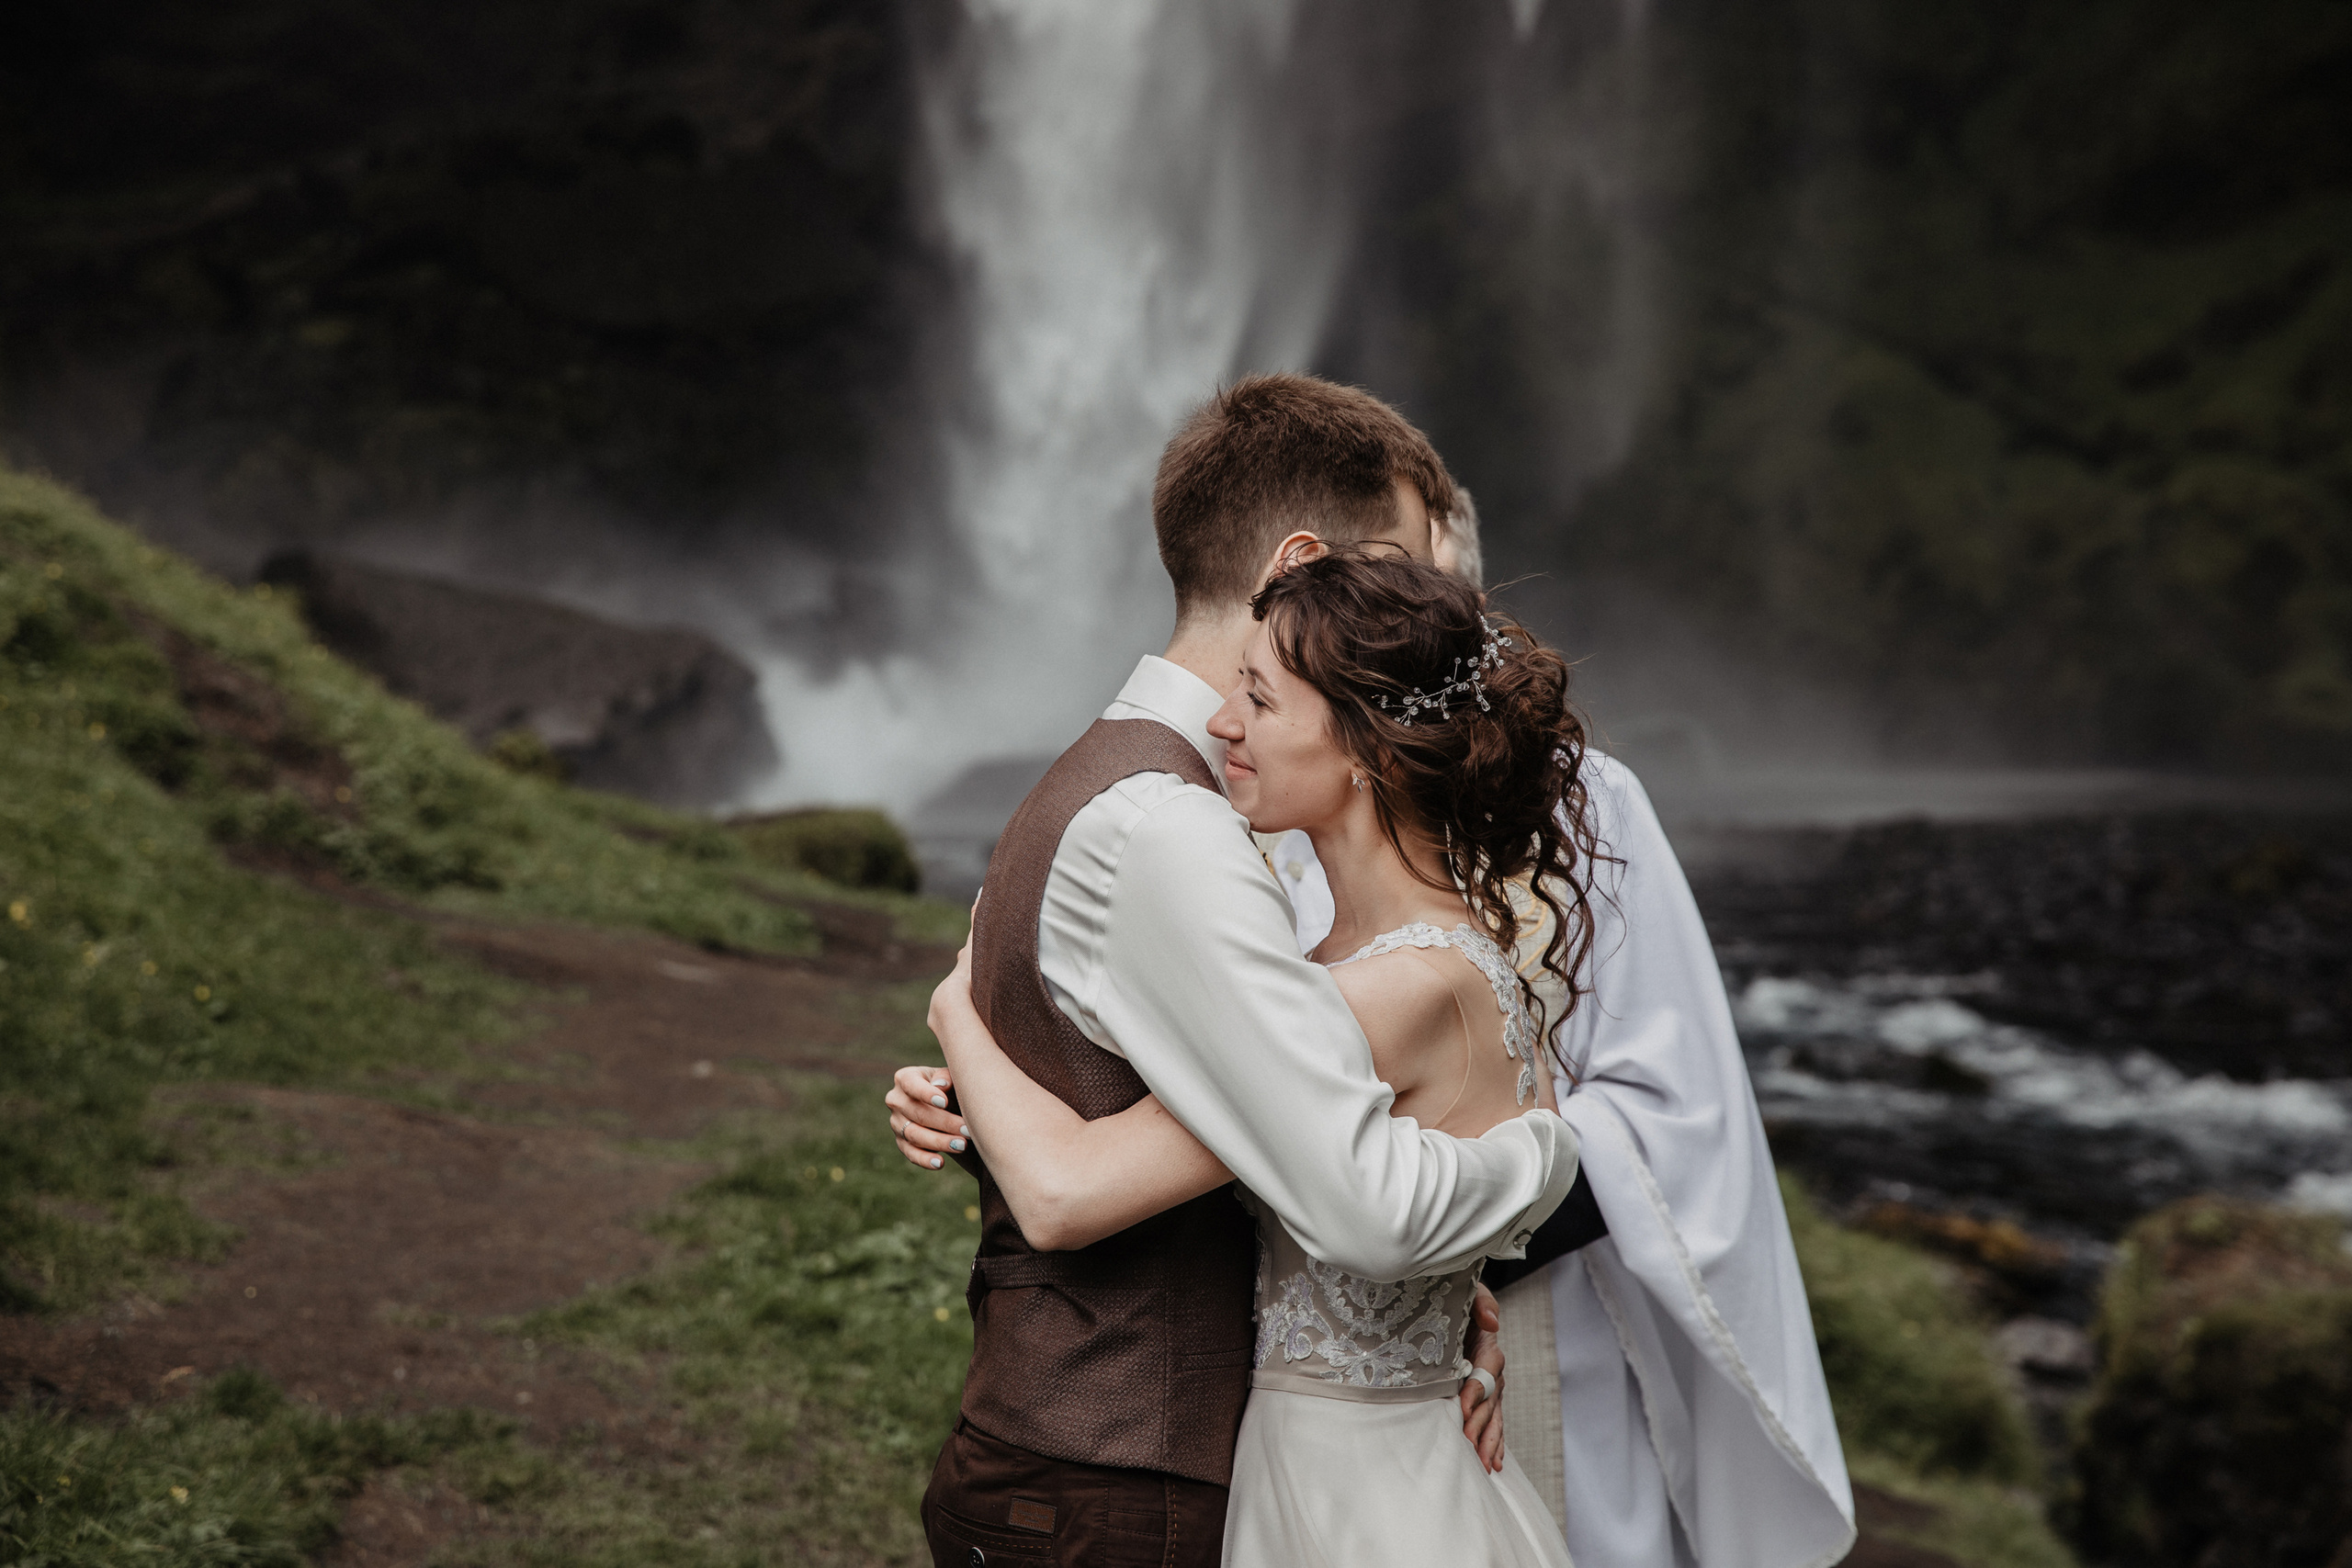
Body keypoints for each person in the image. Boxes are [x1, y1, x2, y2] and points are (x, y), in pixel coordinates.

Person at [900, 479, 1858, 1566]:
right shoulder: (1420, 952)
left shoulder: (1365, 996)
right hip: (1373, 1450)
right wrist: (1450, 1305)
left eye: (1256, 700)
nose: (1221, 725)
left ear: (1363, 742)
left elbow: (1073, 1189)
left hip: (1342, 1487)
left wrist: (957, 1017)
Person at [888, 375, 1580, 1568]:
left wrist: (1443, 1284)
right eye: (1396, 572)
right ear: (1296, 566)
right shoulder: (1173, 822)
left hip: (1223, 1460)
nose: (1431, 604)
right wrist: (1535, 1163)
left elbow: (1297, 1142)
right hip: (1117, 1456)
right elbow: (1280, 1157)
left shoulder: (1147, 798)